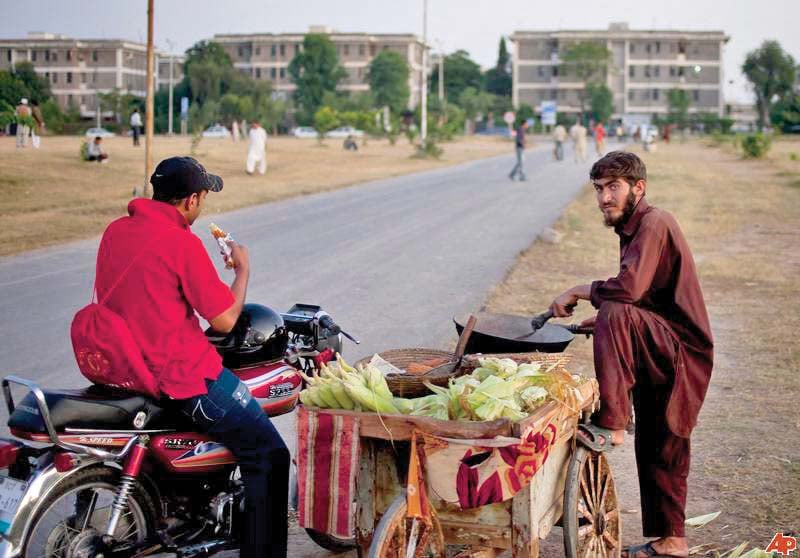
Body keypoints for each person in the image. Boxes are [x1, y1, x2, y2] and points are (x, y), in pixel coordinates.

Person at [94, 156, 289, 558]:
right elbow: (224, 320)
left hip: (124, 369)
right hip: (182, 378)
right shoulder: (181, 242)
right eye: (203, 198)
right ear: (192, 200)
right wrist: (241, 271)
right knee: (269, 454)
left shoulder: (116, 231)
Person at [546, 151, 713, 558]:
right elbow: (643, 296)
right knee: (660, 444)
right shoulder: (633, 228)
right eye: (599, 189)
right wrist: (602, 322)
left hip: (681, 351)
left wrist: (581, 291)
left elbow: (628, 292)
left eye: (614, 187)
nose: (604, 197)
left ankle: (614, 422)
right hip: (662, 345)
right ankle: (672, 542)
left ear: (639, 188)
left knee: (615, 309)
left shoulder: (654, 222)